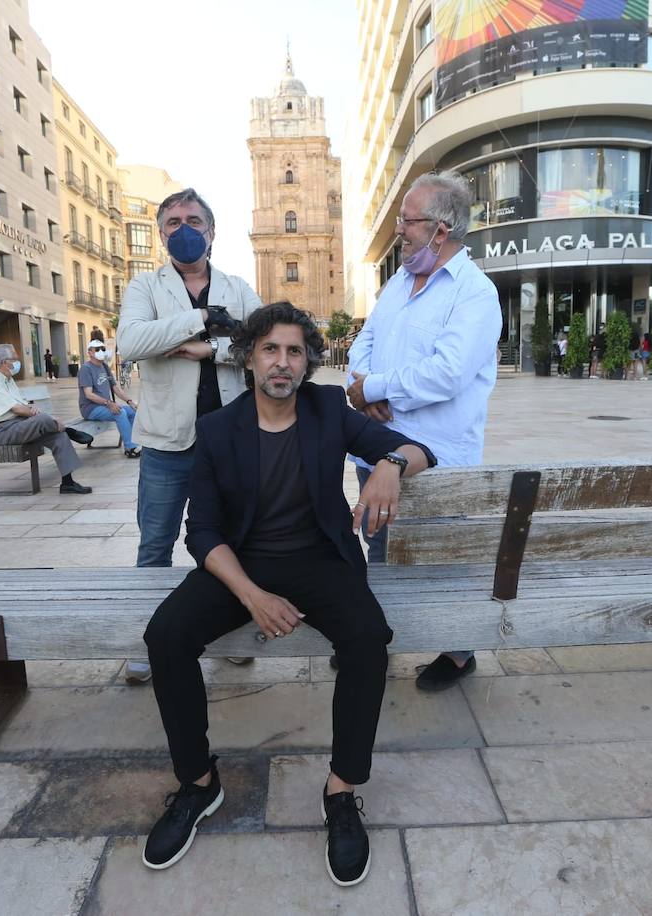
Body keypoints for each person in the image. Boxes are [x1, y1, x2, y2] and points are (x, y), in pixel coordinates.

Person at [140, 303, 435, 885]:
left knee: (369, 638)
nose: (282, 362)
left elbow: (420, 449)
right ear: (249, 357)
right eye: (270, 349)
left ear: (308, 362)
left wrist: (391, 464)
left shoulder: (327, 409)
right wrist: (252, 597)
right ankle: (198, 784)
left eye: (294, 351)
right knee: (166, 635)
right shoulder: (220, 428)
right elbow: (200, 531)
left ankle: (342, 790)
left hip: (321, 560)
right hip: (243, 564)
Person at [346, 170, 502, 692]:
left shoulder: (475, 294)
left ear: (440, 228)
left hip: (439, 457)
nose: (398, 230)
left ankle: (459, 652)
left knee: (444, 558)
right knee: (381, 548)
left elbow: (449, 371)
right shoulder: (396, 281)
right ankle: (374, 639)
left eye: (407, 221)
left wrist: (377, 388)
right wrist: (362, 388)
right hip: (377, 448)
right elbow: (361, 344)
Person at [116, 187, 264, 684]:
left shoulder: (239, 286)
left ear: (212, 231)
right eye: (173, 222)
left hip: (231, 444)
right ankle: (149, 640)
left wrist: (208, 350)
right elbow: (133, 341)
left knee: (232, 544)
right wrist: (202, 319)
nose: (184, 230)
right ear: (161, 234)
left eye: (194, 221)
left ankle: (230, 636)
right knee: (155, 545)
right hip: (166, 443)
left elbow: (264, 345)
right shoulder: (145, 287)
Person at [0, 343, 95, 493]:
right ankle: (67, 429)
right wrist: (36, 414)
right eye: (15, 359)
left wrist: (32, 411)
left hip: (21, 425)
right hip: (3, 431)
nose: (18, 362)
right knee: (43, 419)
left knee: (59, 436)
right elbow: (17, 408)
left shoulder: (7, 378)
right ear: (5, 362)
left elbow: (23, 404)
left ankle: (67, 483)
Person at [79, 339, 141, 458]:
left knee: (132, 411)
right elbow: (88, 394)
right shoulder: (86, 369)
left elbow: (115, 388)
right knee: (120, 412)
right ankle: (130, 447)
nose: (101, 351)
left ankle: (135, 443)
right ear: (90, 353)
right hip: (90, 408)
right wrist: (109, 403)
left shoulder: (105, 367)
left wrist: (130, 402)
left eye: (103, 349)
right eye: (97, 349)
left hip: (104, 406)